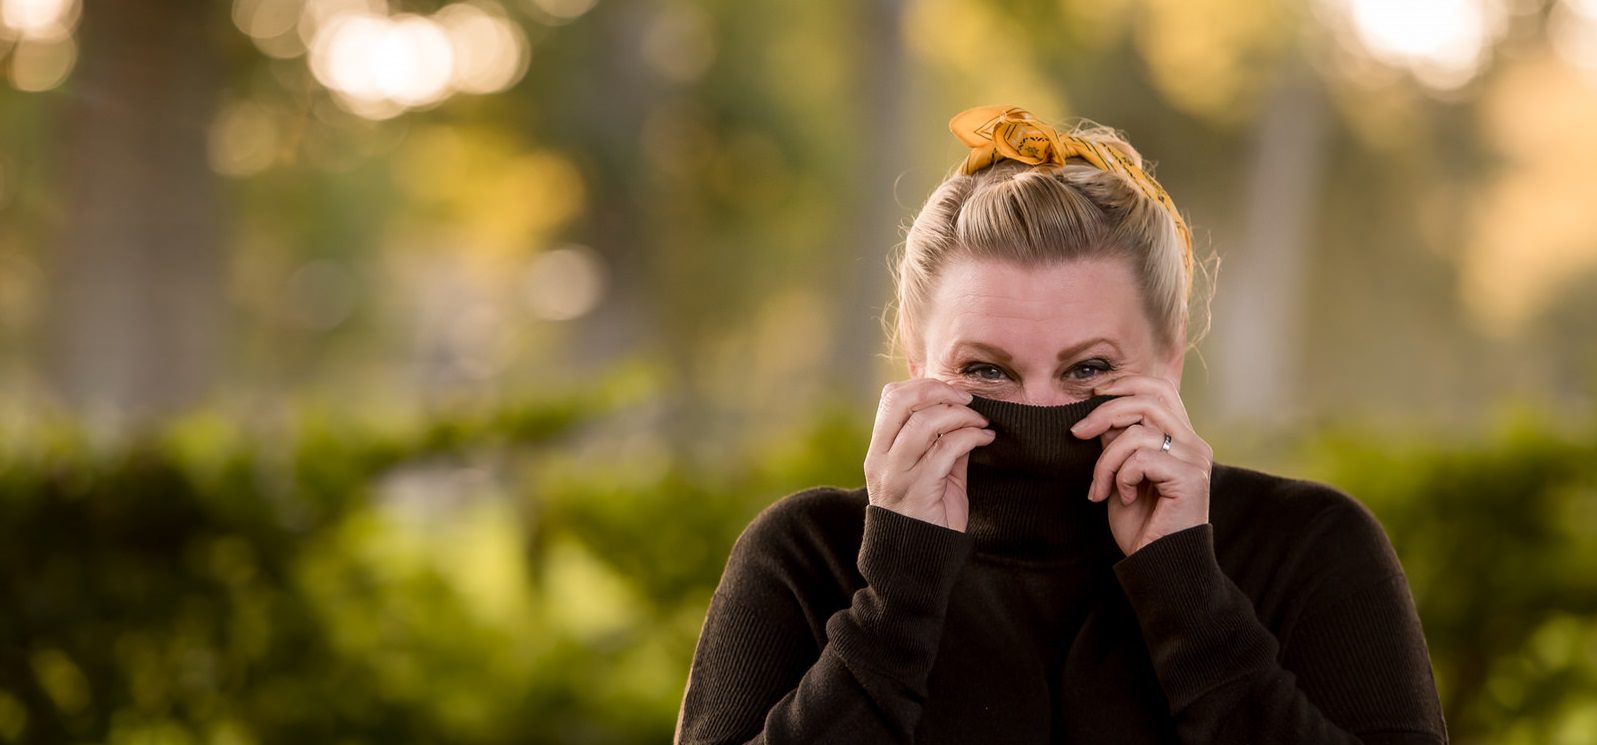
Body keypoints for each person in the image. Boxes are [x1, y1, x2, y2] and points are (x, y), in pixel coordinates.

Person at [674, 105, 1448, 744]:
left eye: (1087, 370)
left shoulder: (1307, 547)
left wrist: (1189, 594)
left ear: (1170, 357)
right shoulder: (808, 557)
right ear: (914, 361)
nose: (1040, 412)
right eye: (985, 371)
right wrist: (895, 599)